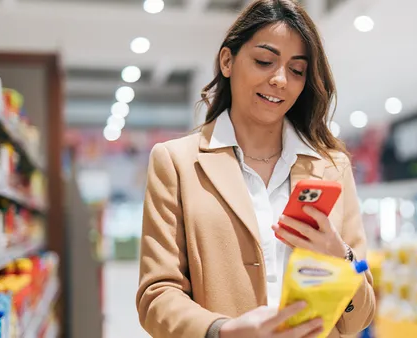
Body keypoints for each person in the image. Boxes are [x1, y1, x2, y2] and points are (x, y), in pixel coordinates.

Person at [136, 0, 376, 337]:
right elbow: (156, 295)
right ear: (227, 61)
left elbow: (360, 316)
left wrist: (342, 256)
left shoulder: (332, 168)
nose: (280, 79)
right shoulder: (176, 163)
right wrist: (222, 331)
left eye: (297, 70)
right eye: (265, 61)